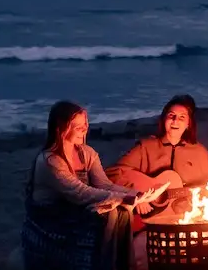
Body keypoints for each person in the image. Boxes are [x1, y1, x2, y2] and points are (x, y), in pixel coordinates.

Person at [23, 100, 167, 270]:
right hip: (53, 215)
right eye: (77, 126)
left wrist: (137, 194)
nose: (84, 130)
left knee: (123, 211)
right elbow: (80, 192)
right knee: (111, 212)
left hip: (75, 208)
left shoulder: (87, 153)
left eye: (85, 124)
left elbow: (104, 184)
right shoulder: (50, 161)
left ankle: (121, 264)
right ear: (61, 129)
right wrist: (123, 197)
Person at [108, 94, 208, 223]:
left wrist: (189, 202)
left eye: (182, 117)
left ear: (189, 124)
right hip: (148, 221)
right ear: (164, 119)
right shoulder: (146, 147)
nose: (175, 121)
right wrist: (137, 194)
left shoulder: (200, 152)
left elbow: (207, 191)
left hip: (184, 220)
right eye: (171, 115)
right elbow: (112, 173)